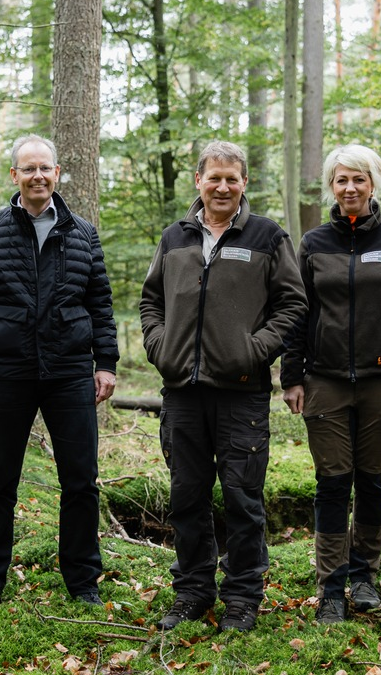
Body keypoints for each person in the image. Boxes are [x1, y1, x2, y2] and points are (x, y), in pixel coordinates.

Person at [139, 140, 307, 632]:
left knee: (242, 498)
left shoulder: (267, 236)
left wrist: (253, 351)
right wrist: (159, 346)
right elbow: (151, 301)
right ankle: (192, 591)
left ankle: (242, 598)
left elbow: (293, 305)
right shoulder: (175, 238)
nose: (222, 186)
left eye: (232, 178)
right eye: (214, 177)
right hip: (182, 394)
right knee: (187, 496)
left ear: (244, 184)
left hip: (241, 394)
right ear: (199, 181)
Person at [0, 134, 119, 607]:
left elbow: (100, 304)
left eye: (45, 168)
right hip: (7, 373)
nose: (38, 176)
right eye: (28, 169)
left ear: (58, 173)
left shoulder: (82, 233)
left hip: (69, 372)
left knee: (81, 481)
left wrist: (104, 363)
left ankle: (83, 582)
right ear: (15, 176)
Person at [279, 144, 381, 624]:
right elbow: (296, 312)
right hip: (324, 380)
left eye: (359, 180)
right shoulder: (313, 244)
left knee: (373, 481)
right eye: (342, 180)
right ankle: (331, 586)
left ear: (373, 184)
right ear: (332, 186)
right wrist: (291, 376)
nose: (350, 188)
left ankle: (364, 576)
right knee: (332, 482)